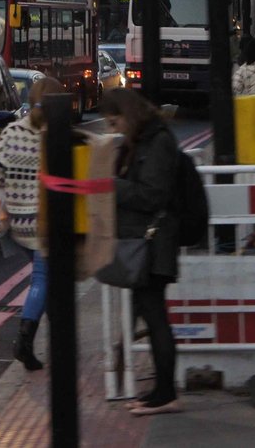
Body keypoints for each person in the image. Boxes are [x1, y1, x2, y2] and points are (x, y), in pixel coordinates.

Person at [102, 88, 182, 416]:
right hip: (145, 241)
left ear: (128, 114)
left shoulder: (158, 141)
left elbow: (152, 195)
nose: (113, 128)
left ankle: (165, 393)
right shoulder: (143, 139)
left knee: (155, 317)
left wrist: (112, 185)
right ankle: (160, 390)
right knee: (151, 314)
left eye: (115, 121)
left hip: (155, 243)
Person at [0, 75, 64, 371]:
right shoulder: (57, 135)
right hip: (46, 221)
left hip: (19, 222)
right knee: (43, 278)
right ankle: (24, 342)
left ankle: (56, 340)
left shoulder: (13, 132)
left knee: (48, 277)